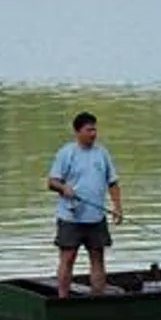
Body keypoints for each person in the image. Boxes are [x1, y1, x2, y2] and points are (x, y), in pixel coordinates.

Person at [48, 112, 123, 298]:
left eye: (95, 129)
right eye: (89, 130)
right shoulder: (66, 153)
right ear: (77, 131)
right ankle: (62, 298)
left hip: (96, 217)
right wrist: (64, 187)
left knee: (98, 258)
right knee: (68, 257)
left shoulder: (102, 153)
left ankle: (98, 297)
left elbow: (112, 182)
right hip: (71, 217)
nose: (93, 133)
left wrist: (117, 206)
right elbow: (51, 182)